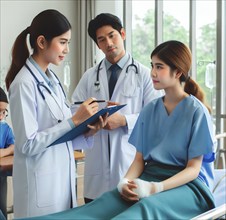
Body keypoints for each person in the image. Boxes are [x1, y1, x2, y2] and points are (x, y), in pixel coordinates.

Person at [34, 40, 215, 219]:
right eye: (152, 65)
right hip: (149, 177)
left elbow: (193, 169)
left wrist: (155, 188)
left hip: (189, 187)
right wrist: (124, 183)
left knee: (143, 209)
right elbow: (139, 160)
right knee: (103, 204)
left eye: (159, 67)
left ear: (178, 72)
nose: (152, 72)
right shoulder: (150, 110)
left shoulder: (196, 112)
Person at [5, 9, 107, 218]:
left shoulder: (52, 79)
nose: (67, 49)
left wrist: (87, 130)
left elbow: (59, 133)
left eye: (68, 42)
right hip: (40, 190)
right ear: (42, 42)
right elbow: (27, 144)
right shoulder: (23, 84)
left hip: (60, 184)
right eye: (62, 42)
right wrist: (74, 120)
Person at [71, 13, 163, 203]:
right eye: (102, 39)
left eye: (112, 35)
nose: (108, 43)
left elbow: (156, 116)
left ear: (122, 34)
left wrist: (124, 120)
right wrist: (94, 119)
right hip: (96, 174)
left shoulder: (144, 75)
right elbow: (74, 111)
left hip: (129, 167)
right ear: (97, 44)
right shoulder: (89, 77)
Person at [0, 87, 15, 219]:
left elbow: (14, 146)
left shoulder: (5, 128)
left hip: (1, 175)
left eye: (4, 112)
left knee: (2, 209)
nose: (1, 116)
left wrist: (5, 151)